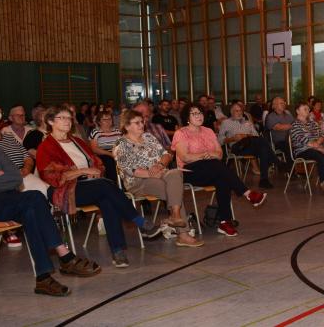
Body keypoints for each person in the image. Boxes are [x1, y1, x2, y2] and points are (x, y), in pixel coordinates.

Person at [36, 105, 163, 268]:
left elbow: (98, 163)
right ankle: (139, 221)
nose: (68, 121)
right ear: (50, 121)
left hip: (91, 185)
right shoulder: (46, 147)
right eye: (62, 118)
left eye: (69, 118)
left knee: (107, 200)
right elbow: (49, 175)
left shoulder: (77, 141)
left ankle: (118, 252)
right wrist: (82, 171)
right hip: (66, 190)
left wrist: (94, 171)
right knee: (105, 187)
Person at [0, 145, 102, 296]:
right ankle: (65, 257)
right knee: (33, 200)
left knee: (32, 206)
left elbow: (16, 177)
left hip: (10, 198)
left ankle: (43, 277)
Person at [172, 102, 266, 237]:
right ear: (187, 117)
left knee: (223, 179)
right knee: (218, 167)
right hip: (189, 172)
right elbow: (185, 157)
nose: (198, 116)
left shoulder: (209, 131)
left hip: (211, 169)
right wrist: (205, 155)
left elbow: (220, 153)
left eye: (200, 113)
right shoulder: (180, 133)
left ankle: (225, 221)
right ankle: (247, 193)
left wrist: (209, 156)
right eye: (194, 113)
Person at [115, 110, 203, 247]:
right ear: (126, 126)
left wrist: (160, 165)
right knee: (174, 190)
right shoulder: (121, 144)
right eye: (137, 123)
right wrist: (151, 173)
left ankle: (175, 216)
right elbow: (130, 170)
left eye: (142, 121)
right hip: (138, 181)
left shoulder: (149, 137)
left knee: (175, 174)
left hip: (161, 173)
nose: (141, 125)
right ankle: (183, 234)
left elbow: (166, 154)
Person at [0, 109, 36, 249]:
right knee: (18, 194)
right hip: (5, 180)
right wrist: (3, 175)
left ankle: (36, 229)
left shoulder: (8, 136)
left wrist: (27, 168)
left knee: (42, 190)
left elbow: (26, 155)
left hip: (23, 174)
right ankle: (9, 229)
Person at [218, 102, 279, 189]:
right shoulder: (226, 123)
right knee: (262, 143)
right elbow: (219, 141)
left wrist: (245, 135)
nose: (239, 113)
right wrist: (232, 139)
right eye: (236, 111)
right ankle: (276, 161)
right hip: (237, 147)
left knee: (263, 148)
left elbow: (256, 136)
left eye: (240, 111)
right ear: (231, 112)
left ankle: (264, 180)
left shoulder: (248, 122)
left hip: (250, 145)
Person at [290, 101, 324, 192]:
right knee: (319, 157)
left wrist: (318, 144)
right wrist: (317, 147)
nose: (308, 111)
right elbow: (302, 140)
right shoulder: (295, 124)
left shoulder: (312, 123)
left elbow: (321, 135)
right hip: (302, 151)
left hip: (317, 148)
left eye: (308, 109)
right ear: (297, 111)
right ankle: (323, 181)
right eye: (305, 109)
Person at [88, 111, 122, 181]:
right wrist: (110, 154)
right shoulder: (96, 132)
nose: (108, 121)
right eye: (104, 119)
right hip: (103, 154)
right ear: (99, 121)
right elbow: (94, 149)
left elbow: (122, 144)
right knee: (110, 162)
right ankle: (114, 184)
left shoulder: (117, 131)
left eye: (109, 119)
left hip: (117, 152)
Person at [265, 96, 294, 166]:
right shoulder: (271, 116)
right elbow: (279, 127)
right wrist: (292, 126)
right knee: (288, 146)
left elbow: (295, 124)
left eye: (284, 102)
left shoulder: (288, 115)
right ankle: (291, 169)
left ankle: (301, 167)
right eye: (281, 103)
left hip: (291, 139)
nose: (284, 104)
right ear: (274, 106)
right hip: (279, 142)